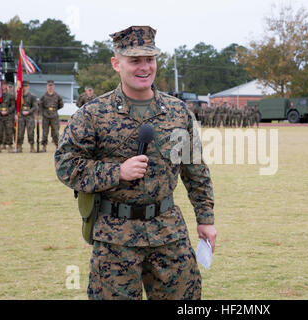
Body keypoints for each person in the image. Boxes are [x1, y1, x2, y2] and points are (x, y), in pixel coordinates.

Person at [54, 26, 216, 300]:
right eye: (135, 60)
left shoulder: (177, 112)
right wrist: (116, 172)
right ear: (117, 63)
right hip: (115, 238)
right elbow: (66, 164)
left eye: (150, 59)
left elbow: (195, 170)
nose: (144, 67)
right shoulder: (93, 114)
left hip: (168, 233)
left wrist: (206, 219)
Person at [39, 80, 64, 152]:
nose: (50, 87)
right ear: (46, 86)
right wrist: (43, 113)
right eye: (49, 85)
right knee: (45, 132)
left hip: (54, 116)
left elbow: (61, 105)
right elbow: (40, 105)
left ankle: (58, 147)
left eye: (51, 85)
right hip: (46, 116)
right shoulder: (43, 96)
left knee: (55, 132)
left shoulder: (57, 96)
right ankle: (44, 147)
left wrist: (54, 110)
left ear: (54, 86)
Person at [17, 81, 38, 153]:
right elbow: (16, 106)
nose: (24, 88)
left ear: (28, 87)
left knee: (31, 132)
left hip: (29, 117)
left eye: (26, 86)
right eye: (23, 86)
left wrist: (28, 112)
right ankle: (19, 146)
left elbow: (35, 107)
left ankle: (32, 147)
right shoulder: (19, 96)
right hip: (21, 117)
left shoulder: (32, 96)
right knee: (20, 132)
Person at [0, 82, 15, 153]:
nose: (3, 86)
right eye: (2, 85)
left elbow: (13, 106)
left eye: (4, 85)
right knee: (0, 131)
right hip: (0, 116)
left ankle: (10, 146)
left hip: (8, 116)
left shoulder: (10, 96)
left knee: (9, 131)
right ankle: (0, 145)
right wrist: (0, 111)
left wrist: (7, 111)